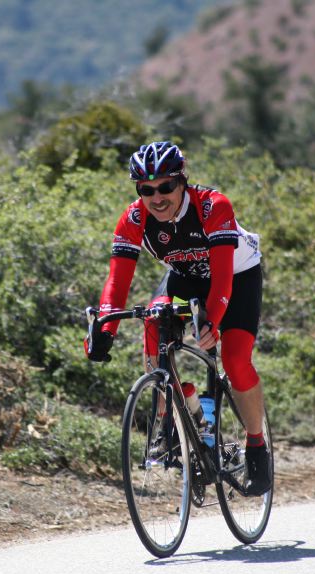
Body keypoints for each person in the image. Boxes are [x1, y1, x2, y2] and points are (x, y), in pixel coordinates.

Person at [85, 141, 271, 496]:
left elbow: (221, 280)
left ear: (182, 182)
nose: (157, 197)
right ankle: (170, 411)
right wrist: (104, 328)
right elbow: (116, 281)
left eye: (166, 186)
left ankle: (256, 444)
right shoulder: (134, 219)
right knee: (154, 320)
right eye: (146, 189)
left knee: (234, 360)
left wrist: (211, 320)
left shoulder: (213, 206)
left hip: (235, 276)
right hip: (184, 276)